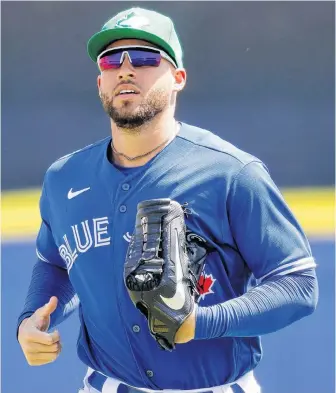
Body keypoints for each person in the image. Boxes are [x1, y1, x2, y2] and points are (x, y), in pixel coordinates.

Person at [17, 7, 318, 393]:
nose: (125, 70)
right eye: (112, 60)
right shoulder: (64, 178)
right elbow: (55, 265)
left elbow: (298, 283)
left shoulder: (230, 173)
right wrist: (31, 320)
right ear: (100, 83)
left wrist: (203, 322)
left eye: (144, 57)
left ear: (178, 78)